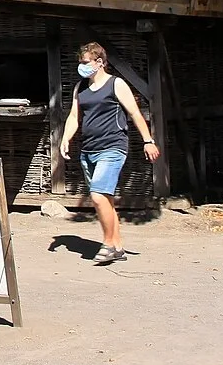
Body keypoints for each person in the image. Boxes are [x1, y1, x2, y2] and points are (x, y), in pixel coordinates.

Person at [57, 41, 161, 265]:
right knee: (105, 199)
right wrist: (65, 138)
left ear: (100, 62)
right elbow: (75, 117)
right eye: (80, 62)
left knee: (97, 195)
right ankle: (118, 246)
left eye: (85, 62)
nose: (81, 67)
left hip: (113, 147)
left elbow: (134, 113)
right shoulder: (80, 88)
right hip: (88, 150)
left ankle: (107, 245)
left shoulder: (116, 84)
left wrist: (148, 141)